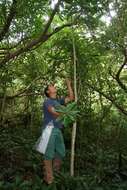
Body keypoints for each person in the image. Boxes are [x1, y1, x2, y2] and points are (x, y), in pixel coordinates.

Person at [42, 79, 74, 185]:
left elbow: (71, 98)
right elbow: (54, 112)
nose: (53, 86)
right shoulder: (47, 101)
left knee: (60, 151)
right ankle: (49, 179)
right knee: (48, 154)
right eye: (51, 86)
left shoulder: (58, 101)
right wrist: (68, 114)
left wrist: (68, 85)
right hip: (49, 129)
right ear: (48, 92)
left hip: (58, 129)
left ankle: (55, 173)